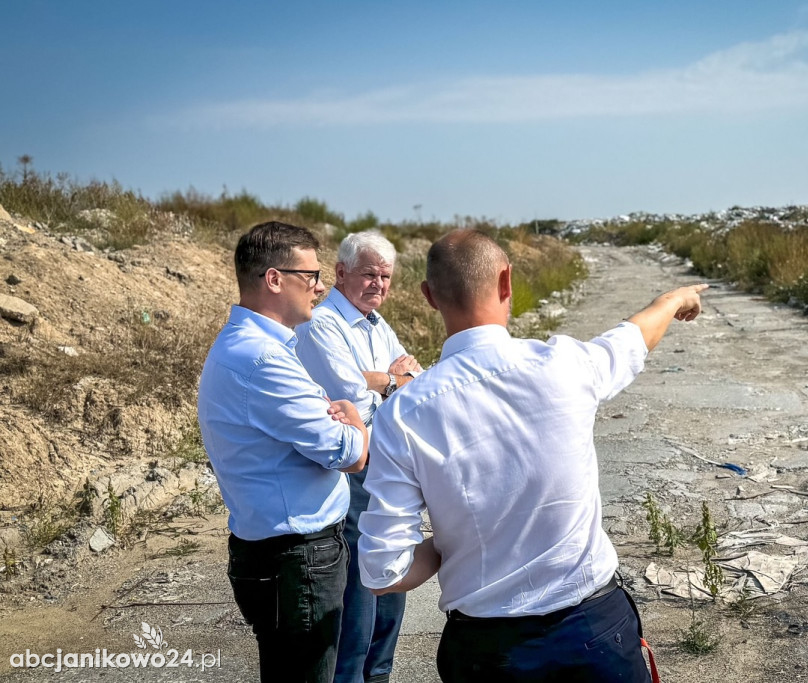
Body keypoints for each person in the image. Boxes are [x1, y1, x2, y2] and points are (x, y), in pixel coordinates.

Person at [354, 229, 708, 682]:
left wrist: (454, 542)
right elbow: (634, 338)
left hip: (487, 653)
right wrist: (673, 300)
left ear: (428, 296)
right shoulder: (566, 364)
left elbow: (383, 571)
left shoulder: (402, 414)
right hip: (594, 632)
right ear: (507, 282)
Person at [198, 221, 369, 683]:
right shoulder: (264, 360)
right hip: (298, 559)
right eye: (310, 276)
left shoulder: (248, 347)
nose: (320, 287)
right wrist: (354, 417)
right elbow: (349, 453)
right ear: (275, 279)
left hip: (278, 554)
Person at [295, 230, 421, 683]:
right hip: (354, 473)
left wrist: (384, 381)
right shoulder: (322, 323)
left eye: (385, 276)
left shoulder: (377, 325)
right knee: (360, 598)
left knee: (391, 589)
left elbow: (412, 380)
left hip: (387, 468)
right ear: (341, 273)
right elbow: (352, 398)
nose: (378, 284)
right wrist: (387, 382)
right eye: (369, 274)